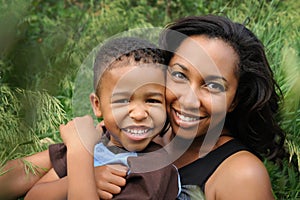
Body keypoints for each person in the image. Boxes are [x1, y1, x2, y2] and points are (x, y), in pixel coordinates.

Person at [94, 15, 285, 200]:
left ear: (235, 100)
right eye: (179, 75)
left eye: (213, 86)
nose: (188, 101)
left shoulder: (242, 175)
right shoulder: (138, 133)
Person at [24, 37, 180, 199]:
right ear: (97, 105)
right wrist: (84, 177)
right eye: (122, 101)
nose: (139, 114)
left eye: (152, 100)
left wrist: (80, 153)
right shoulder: (97, 142)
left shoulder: (154, 169)